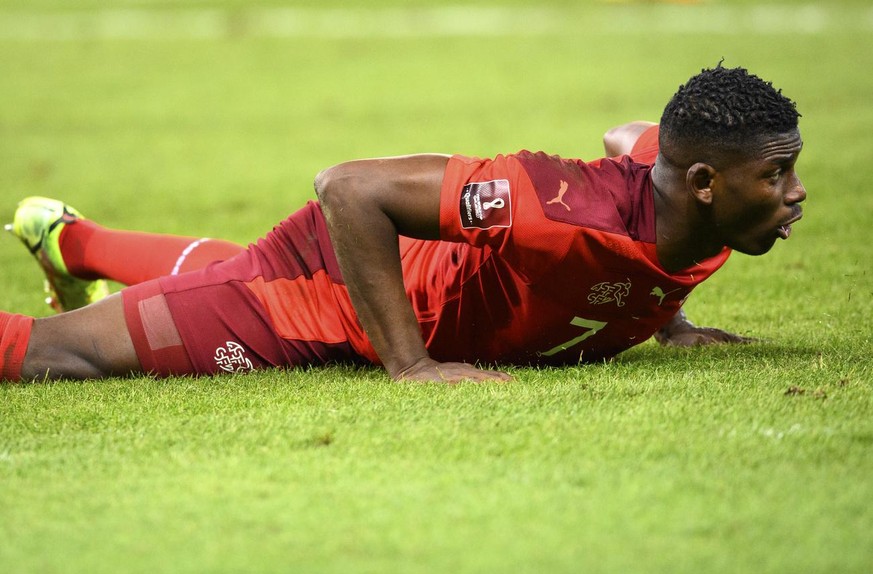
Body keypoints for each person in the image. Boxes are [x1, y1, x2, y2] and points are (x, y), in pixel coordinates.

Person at [0, 64, 805, 384]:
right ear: (700, 184)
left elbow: (631, 139)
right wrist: (411, 367)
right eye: (776, 174)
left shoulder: (706, 218)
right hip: (322, 292)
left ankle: (70, 240)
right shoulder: (555, 211)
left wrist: (670, 319)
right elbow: (349, 190)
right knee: (63, 354)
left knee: (215, 273)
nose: (794, 193)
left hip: (395, 272)